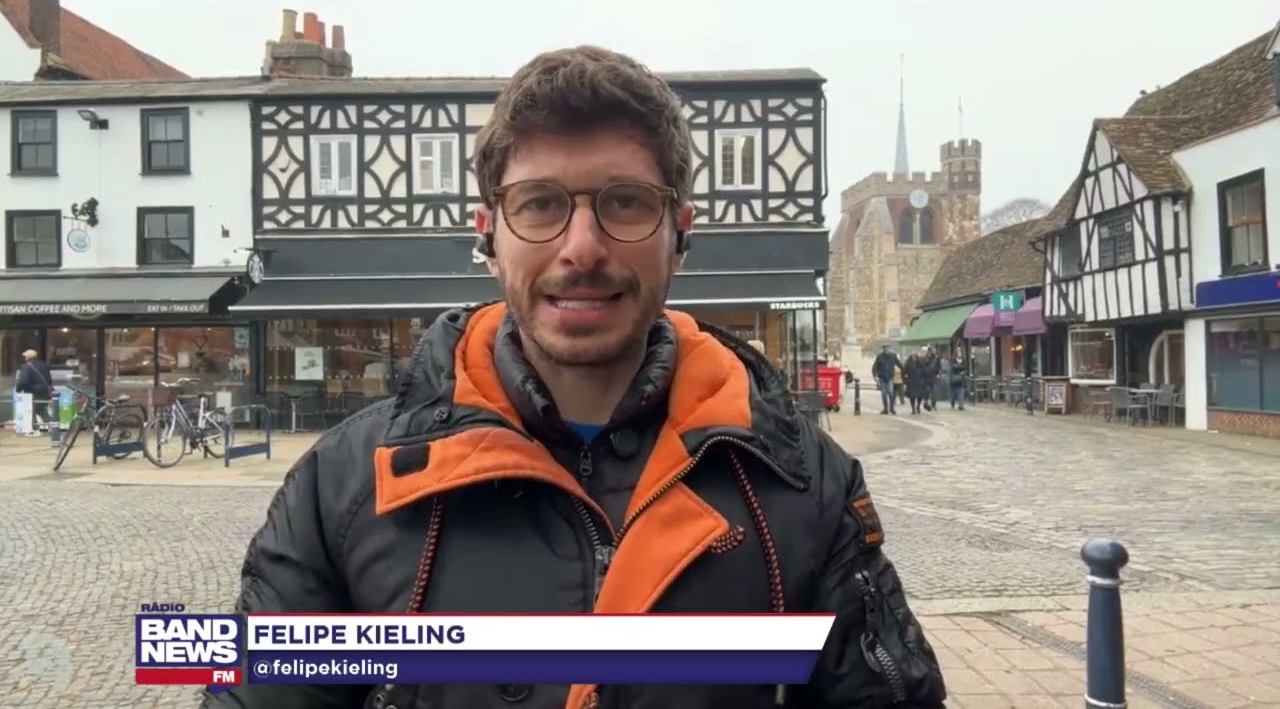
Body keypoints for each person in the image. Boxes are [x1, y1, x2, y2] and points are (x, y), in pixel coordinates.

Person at [205, 46, 945, 709]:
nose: (582, 248)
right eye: (539, 206)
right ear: (487, 237)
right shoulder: (342, 490)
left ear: (680, 235)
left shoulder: (805, 488)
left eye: (625, 202)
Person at [15, 349, 54, 432]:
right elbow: (49, 380)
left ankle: (34, 429)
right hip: (44, 392)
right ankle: (53, 426)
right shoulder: (44, 365)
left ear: (28, 358)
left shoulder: (26, 367)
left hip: (32, 392)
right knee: (41, 409)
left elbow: (23, 381)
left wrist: (18, 390)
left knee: (32, 410)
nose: (24, 357)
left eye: (25, 356)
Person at [870, 343, 902, 415]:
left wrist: (905, 372)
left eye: (888, 348)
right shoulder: (879, 357)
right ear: (883, 349)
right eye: (885, 349)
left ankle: (891, 408)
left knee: (891, 393)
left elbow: (899, 364)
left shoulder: (893, 356)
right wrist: (875, 376)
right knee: (884, 394)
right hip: (882, 378)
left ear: (890, 349)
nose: (887, 350)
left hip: (890, 377)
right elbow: (874, 368)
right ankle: (885, 408)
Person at [903, 351, 930, 415]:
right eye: (913, 356)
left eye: (915, 356)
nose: (914, 358)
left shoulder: (920, 364)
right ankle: (913, 409)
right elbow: (904, 373)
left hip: (919, 382)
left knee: (919, 396)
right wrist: (906, 381)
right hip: (911, 382)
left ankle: (918, 406)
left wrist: (925, 380)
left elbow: (924, 372)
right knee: (912, 397)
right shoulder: (908, 364)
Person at [921, 346, 940, 412]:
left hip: (933, 377)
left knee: (934, 392)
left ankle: (933, 404)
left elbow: (938, 366)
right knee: (927, 391)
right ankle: (926, 402)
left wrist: (938, 374)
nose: (934, 352)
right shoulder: (925, 358)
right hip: (927, 377)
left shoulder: (936, 358)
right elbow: (923, 367)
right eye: (932, 350)